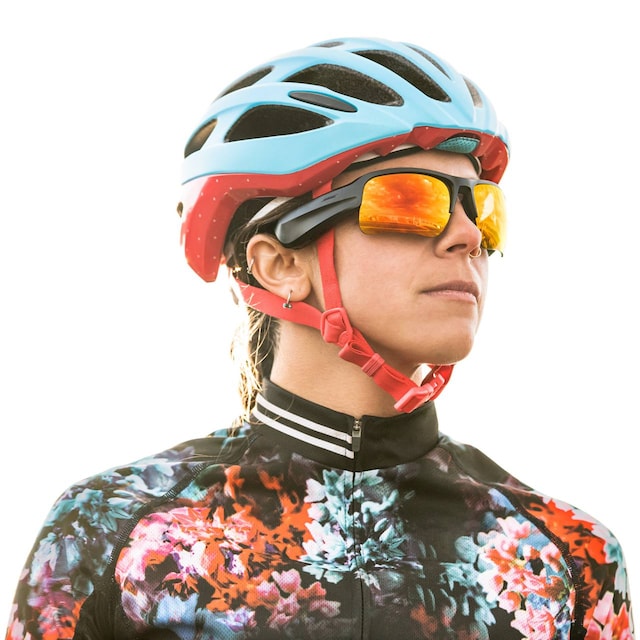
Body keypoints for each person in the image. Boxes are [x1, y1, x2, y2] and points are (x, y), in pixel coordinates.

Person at [4, 36, 634, 640]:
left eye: (483, 208)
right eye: (412, 201)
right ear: (280, 264)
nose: (468, 235)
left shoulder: (572, 553)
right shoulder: (109, 526)